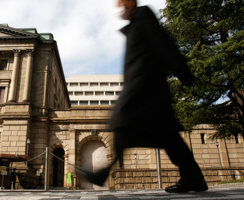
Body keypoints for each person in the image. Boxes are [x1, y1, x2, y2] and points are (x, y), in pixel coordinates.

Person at [77, 0, 208, 193]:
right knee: (167, 136)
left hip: (146, 86)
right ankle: (193, 177)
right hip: (143, 86)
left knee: (124, 122)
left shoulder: (143, 15)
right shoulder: (137, 21)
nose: (118, 7)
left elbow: (163, 42)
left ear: (130, 3)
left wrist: (181, 70)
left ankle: (104, 171)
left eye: (121, 2)